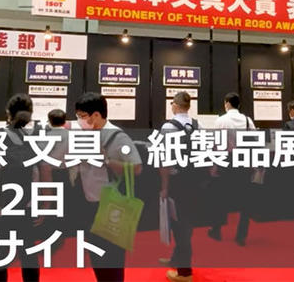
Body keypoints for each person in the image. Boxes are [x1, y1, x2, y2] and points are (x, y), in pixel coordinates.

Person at [74, 92, 142, 282]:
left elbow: (137, 168)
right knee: (96, 256)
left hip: (112, 205)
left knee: (112, 259)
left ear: (96, 115)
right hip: (89, 204)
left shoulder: (117, 137)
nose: (79, 120)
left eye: (82, 116)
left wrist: (106, 160)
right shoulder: (85, 134)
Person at [0, 93, 44, 282]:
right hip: (25, 206)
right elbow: (36, 175)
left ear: (8, 113)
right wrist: (39, 204)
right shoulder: (31, 138)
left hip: (0, 207)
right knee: (29, 255)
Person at [158, 92, 203, 282]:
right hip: (195, 181)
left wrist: (164, 186)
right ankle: (177, 259)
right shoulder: (197, 125)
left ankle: (185, 272)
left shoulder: (168, 127)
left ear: (175, 105)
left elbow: (164, 160)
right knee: (187, 222)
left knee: (179, 225)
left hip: (176, 182)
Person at [209, 92, 256, 246]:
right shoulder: (248, 121)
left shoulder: (221, 121)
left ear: (227, 103)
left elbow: (216, 145)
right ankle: (241, 235)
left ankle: (216, 230)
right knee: (245, 200)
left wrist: (214, 165)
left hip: (226, 161)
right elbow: (254, 142)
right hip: (244, 161)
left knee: (221, 197)